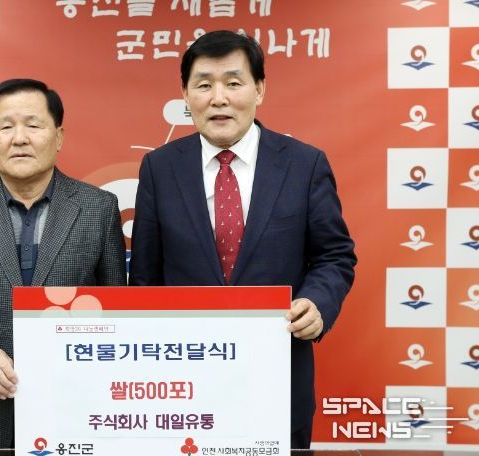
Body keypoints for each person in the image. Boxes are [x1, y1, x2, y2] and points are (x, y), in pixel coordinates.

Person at [129, 30, 356, 448]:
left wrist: (317, 303)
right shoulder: (159, 169)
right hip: (182, 388)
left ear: (259, 89)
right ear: (186, 94)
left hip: (279, 379)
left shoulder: (304, 164)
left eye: (233, 83)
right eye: (204, 85)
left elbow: (335, 255)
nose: (219, 98)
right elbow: (145, 279)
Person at [0, 78, 127, 448]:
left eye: (33, 125)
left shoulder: (98, 208)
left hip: (76, 410)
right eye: (5, 127)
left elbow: (115, 304)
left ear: (58, 137)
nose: (19, 138)